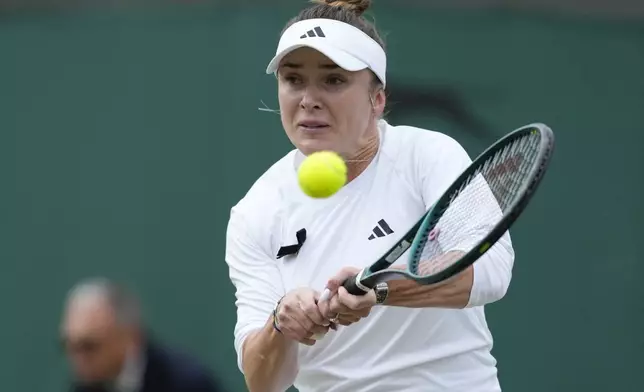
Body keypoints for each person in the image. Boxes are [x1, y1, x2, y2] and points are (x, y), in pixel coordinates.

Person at [224, 0, 515, 391]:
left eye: (334, 80)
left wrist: (380, 288)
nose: (308, 98)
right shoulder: (255, 213)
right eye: (293, 80)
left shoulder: (429, 156)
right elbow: (263, 382)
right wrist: (281, 323)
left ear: (376, 100)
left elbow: (492, 270)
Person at [61, 277, 226, 392]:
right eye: (69, 346)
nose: (78, 358)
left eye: (89, 346)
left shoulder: (186, 383)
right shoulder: (85, 386)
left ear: (130, 337)